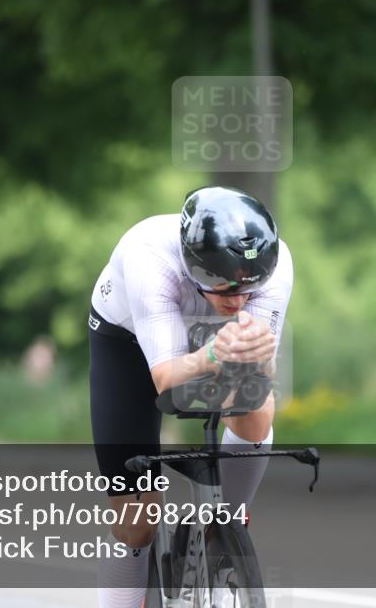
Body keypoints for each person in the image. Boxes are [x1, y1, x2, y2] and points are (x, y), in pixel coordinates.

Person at [87, 186, 293, 608]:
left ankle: (228, 526)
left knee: (256, 404)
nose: (237, 301)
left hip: (210, 337)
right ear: (194, 268)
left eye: (249, 291)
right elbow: (165, 379)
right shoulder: (150, 256)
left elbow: (264, 370)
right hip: (127, 338)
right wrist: (215, 352)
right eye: (223, 288)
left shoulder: (274, 262)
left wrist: (254, 358)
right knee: (136, 524)